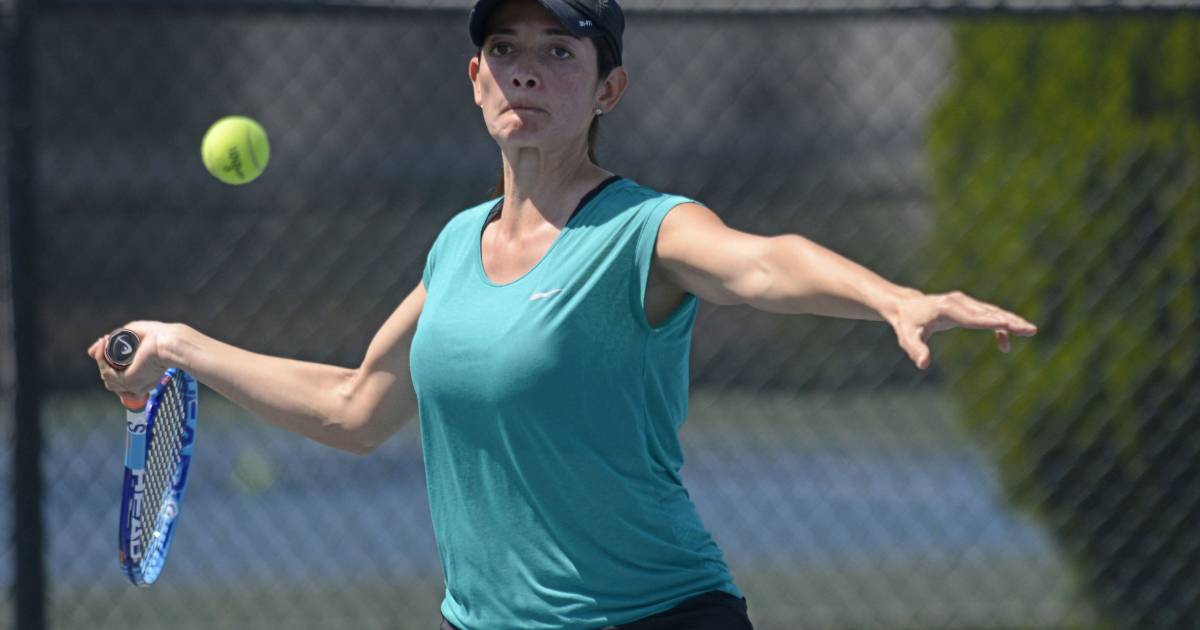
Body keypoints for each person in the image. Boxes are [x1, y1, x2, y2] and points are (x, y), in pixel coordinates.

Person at [88, 0, 1038, 628]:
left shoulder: (644, 230)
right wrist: (185, 345)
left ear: (606, 88)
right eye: (505, 51)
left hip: (656, 618)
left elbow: (761, 262)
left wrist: (891, 298)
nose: (526, 72)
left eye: (558, 51)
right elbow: (354, 408)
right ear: (476, 79)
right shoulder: (454, 246)